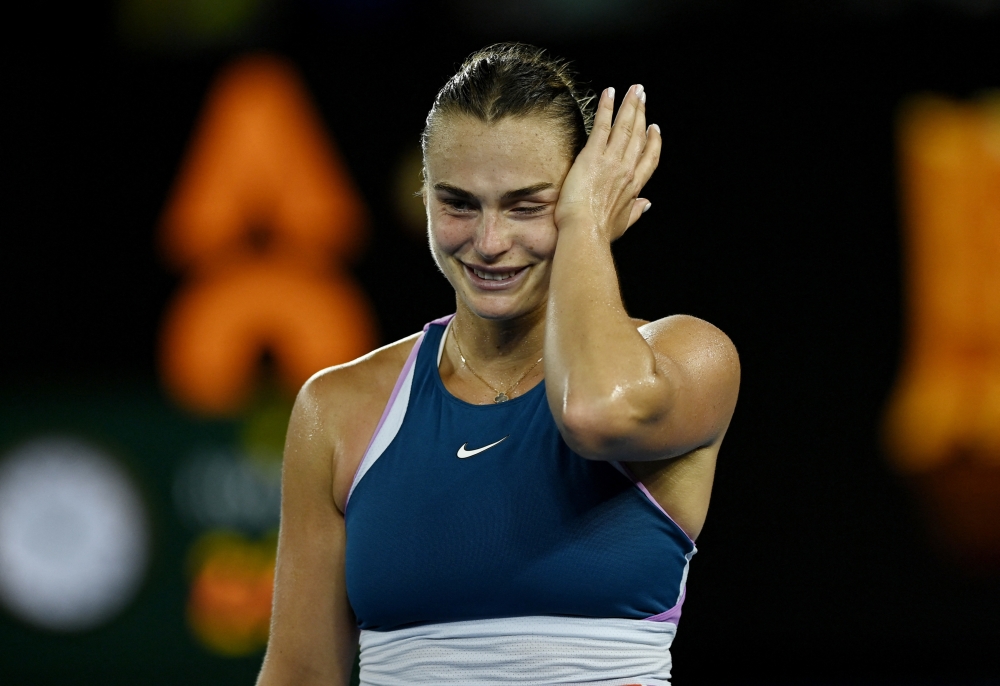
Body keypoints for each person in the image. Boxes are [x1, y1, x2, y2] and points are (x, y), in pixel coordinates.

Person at [256, 43, 740, 686]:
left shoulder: (692, 357)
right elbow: (300, 672)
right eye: (458, 203)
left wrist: (586, 229)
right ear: (423, 196)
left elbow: (594, 413)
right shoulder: (336, 408)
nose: (489, 242)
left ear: (587, 195)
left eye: (527, 206)